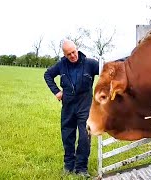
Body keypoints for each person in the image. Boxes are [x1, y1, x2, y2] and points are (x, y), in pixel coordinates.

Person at [44, 40, 99, 177]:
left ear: (77, 49)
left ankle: (81, 168)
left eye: (73, 52)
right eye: (68, 54)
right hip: (68, 107)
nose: (72, 56)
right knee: (67, 136)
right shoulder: (61, 65)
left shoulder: (90, 64)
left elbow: (107, 71)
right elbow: (48, 75)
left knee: (84, 138)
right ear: (64, 54)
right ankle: (68, 166)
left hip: (85, 106)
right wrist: (56, 91)